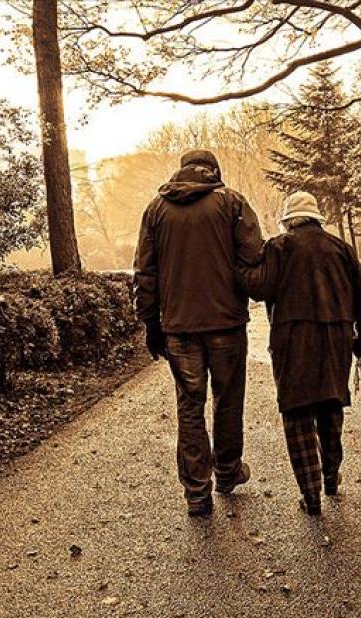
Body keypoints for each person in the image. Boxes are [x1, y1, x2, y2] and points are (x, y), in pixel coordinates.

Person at [133, 150, 264, 517]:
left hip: (179, 329)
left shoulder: (156, 210)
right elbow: (253, 256)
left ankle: (196, 493)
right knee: (228, 399)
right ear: (214, 172)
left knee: (190, 407)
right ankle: (226, 472)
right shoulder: (232, 202)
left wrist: (150, 323)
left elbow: (145, 272)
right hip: (226, 324)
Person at [238, 191, 361, 515]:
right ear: (317, 217)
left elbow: (259, 287)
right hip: (336, 338)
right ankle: (331, 477)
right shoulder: (342, 249)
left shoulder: (279, 247)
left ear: (289, 220)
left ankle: (312, 496)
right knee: (330, 405)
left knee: (297, 413)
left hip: (293, 339)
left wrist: (235, 258)